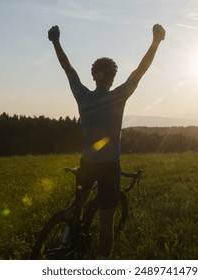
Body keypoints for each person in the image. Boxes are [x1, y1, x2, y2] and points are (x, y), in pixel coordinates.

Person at [47, 23, 165, 259]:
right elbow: (141, 70)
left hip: (86, 162)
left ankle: (66, 239)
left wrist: (55, 42)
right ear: (112, 78)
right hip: (110, 166)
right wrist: (156, 41)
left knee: (78, 207)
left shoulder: (82, 96)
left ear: (94, 76)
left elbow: (67, 68)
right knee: (106, 224)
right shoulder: (117, 97)